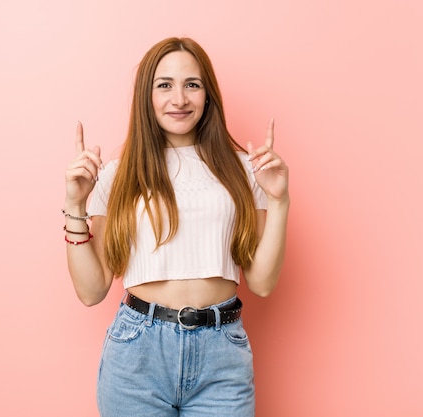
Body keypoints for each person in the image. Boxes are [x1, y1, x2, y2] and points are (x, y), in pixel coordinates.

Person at [63, 37, 289, 417]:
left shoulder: (243, 170)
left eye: (192, 84)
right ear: (146, 97)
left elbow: (263, 283)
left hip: (221, 353)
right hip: (137, 353)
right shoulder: (117, 175)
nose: (179, 99)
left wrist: (280, 200)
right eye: (164, 85)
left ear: (208, 95)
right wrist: (75, 205)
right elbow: (91, 290)